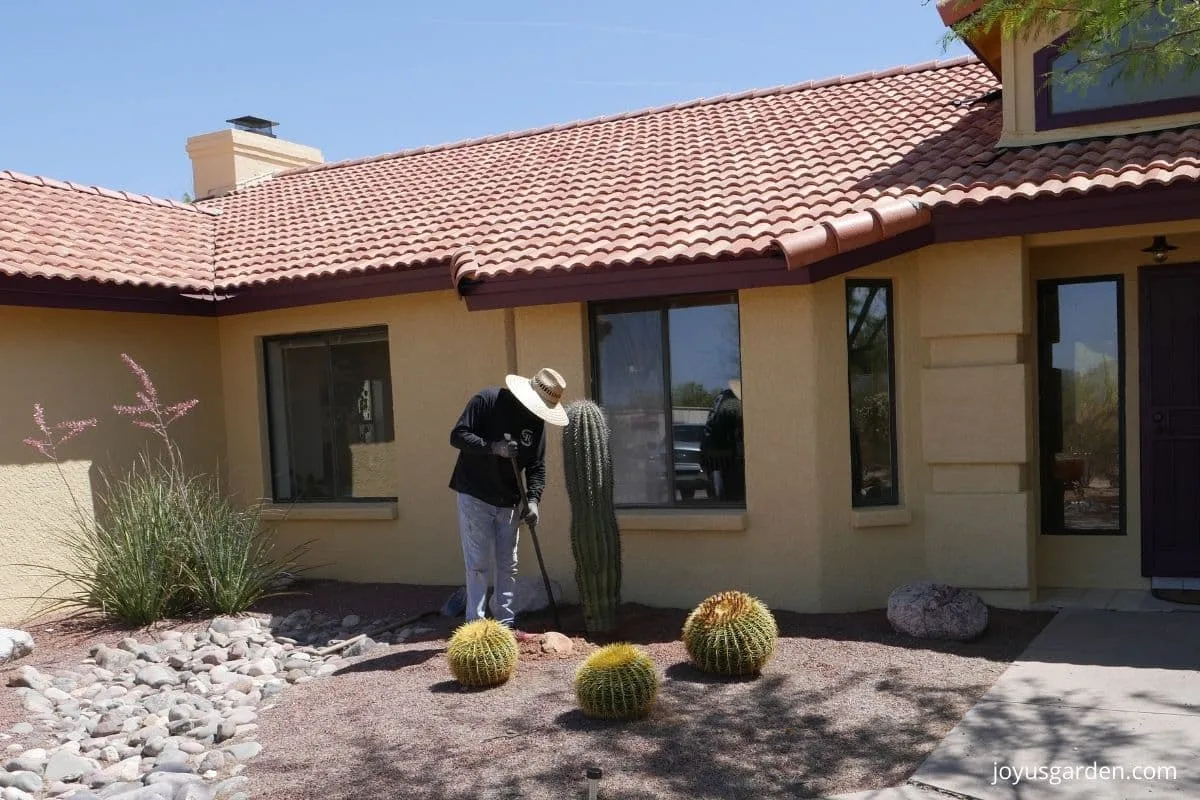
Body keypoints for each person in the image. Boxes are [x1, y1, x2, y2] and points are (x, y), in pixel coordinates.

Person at [449, 367, 568, 634]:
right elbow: (457, 435)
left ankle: (505, 623)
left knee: (508, 564)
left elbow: (537, 466)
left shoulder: (537, 423)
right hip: (475, 493)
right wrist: (493, 448)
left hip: (510, 499)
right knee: (478, 564)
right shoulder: (488, 400)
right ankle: (475, 627)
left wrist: (534, 500)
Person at [699, 378, 744, 503]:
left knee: (719, 487)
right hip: (721, 450)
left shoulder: (722, 396)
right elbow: (738, 429)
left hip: (708, 447)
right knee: (728, 493)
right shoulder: (732, 402)